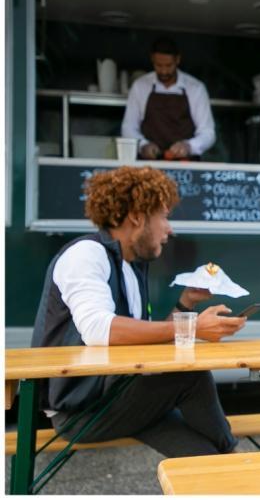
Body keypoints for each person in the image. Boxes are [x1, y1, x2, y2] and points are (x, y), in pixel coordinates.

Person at [31, 166, 246, 457]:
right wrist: (192, 328)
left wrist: (186, 303)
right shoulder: (86, 254)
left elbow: (143, 339)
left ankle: (232, 467)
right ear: (137, 216)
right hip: (80, 410)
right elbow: (99, 330)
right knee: (191, 376)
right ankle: (236, 456)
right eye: (164, 216)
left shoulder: (131, 267)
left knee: (203, 455)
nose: (169, 229)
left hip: (118, 397)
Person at [121, 37, 216, 160]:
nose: (164, 71)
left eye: (168, 65)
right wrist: (143, 145)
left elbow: (208, 132)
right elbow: (128, 127)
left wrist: (189, 146)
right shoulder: (140, 86)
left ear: (178, 60)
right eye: (158, 65)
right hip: (149, 165)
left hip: (185, 164)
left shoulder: (196, 88)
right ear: (152, 60)